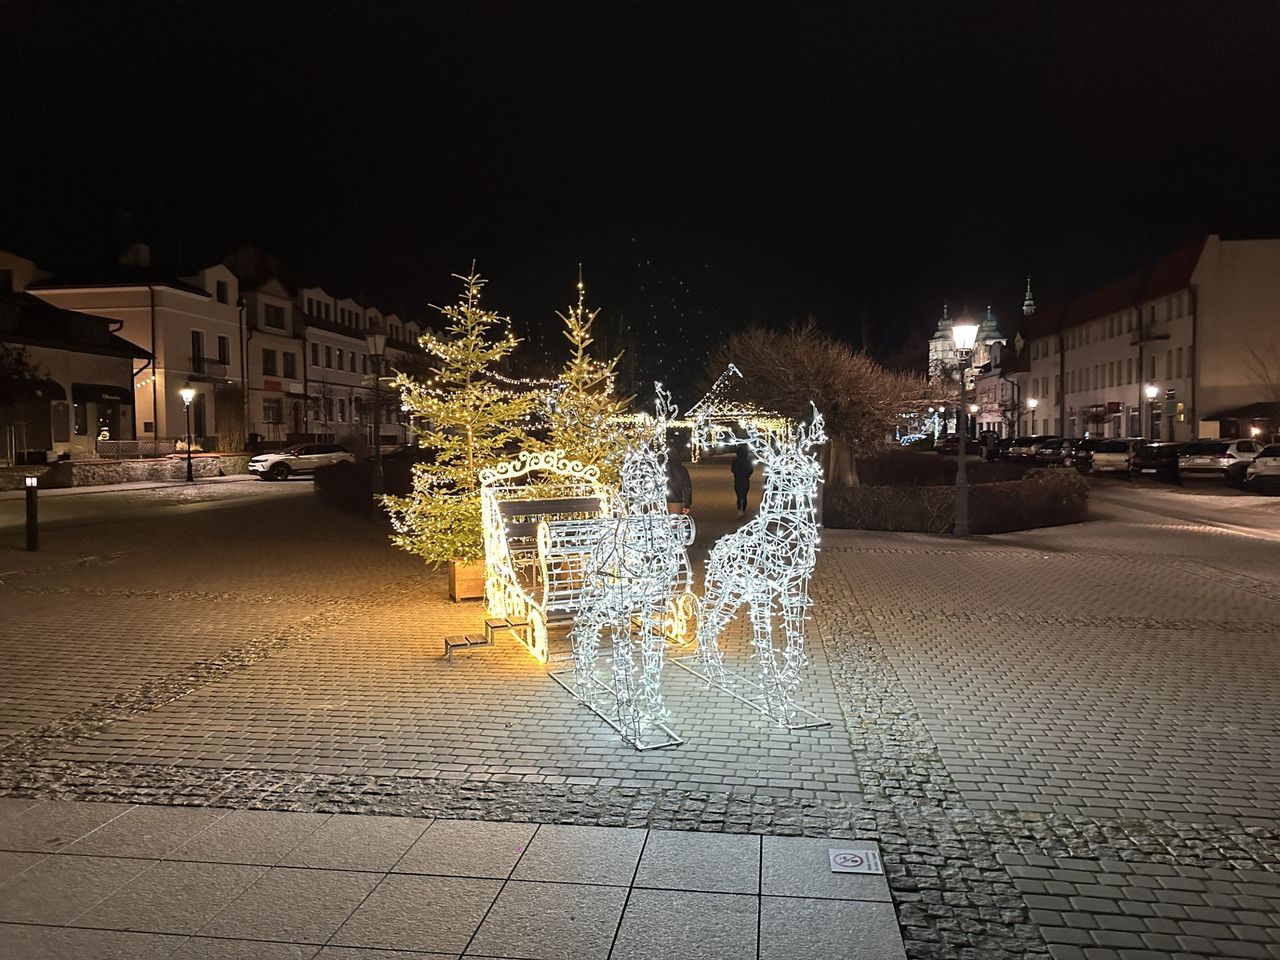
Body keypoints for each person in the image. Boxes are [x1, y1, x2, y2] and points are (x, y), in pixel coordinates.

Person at [666, 446, 692, 513]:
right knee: (675, 518)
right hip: (676, 500)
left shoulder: (659, 468)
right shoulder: (681, 469)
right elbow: (687, 487)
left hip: (661, 501)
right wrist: (687, 504)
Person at [731, 443, 753, 518]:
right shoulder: (747, 461)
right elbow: (751, 470)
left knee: (738, 496)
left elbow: (732, 470)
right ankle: (743, 509)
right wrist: (747, 475)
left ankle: (739, 509)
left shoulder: (735, 461)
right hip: (745, 479)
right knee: (744, 495)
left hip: (737, 479)